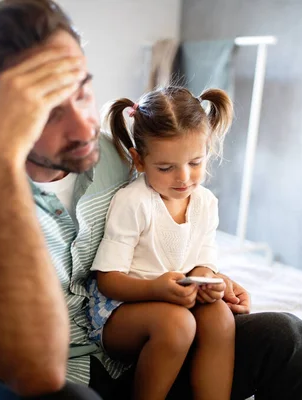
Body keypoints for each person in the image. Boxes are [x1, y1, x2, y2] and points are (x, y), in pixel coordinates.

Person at [0, 0, 302, 399]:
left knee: (289, 340)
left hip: (137, 360)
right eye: (50, 110)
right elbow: (32, 368)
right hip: (24, 381)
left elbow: (162, 236)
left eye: (83, 91)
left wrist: (207, 281)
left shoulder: (116, 156)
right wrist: (1, 160)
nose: (85, 125)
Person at [85, 86, 234, 400]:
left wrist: (209, 281)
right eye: (166, 168)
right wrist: (156, 288)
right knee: (176, 324)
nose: (183, 178)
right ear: (139, 161)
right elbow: (108, 280)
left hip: (175, 300)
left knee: (220, 316)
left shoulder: (205, 203)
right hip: (121, 312)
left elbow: (203, 262)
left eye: (195, 163)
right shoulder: (134, 202)